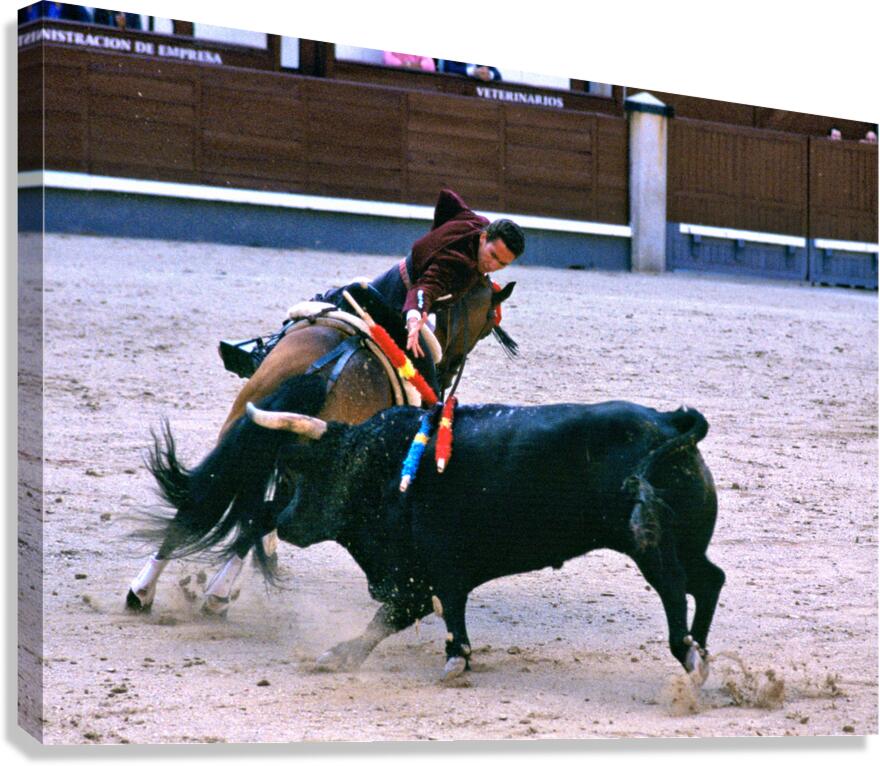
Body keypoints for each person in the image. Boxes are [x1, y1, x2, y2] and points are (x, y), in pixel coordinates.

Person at [318, 188, 524, 392]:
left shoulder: (475, 223)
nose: (493, 265)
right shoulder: (459, 265)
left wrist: (436, 237)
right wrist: (415, 316)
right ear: (483, 238)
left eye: (502, 264)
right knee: (430, 389)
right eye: (493, 255)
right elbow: (425, 288)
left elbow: (447, 197)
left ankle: (329, 298)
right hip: (397, 301)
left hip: (394, 274)